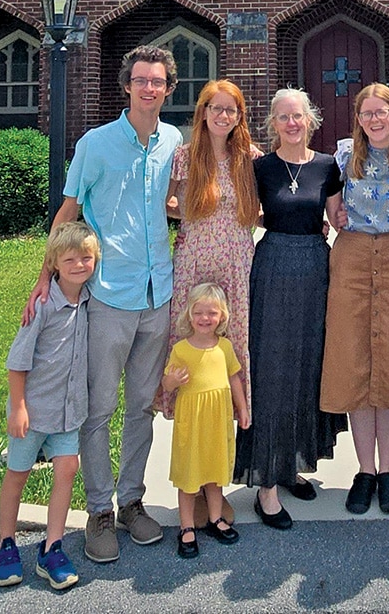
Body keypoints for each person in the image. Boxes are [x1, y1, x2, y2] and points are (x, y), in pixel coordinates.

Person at [25, 45, 183, 563]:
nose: (148, 88)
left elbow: (171, 201)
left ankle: (133, 501)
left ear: (168, 88)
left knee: (142, 405)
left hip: (158, 292)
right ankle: (98, 511)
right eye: (140, 80)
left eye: (157, 81)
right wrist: (45, 276)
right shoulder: (96, 144)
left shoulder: (173, 142)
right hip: (109, 295)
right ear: (127, 85)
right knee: (98, 409)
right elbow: (69, 210)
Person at [233, 88, 347, 529]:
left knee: (307, 367)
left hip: (316, 268)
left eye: (297, 115)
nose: (291, 123)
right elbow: (245, 212)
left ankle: (291, 463)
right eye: (283, 117)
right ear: (273, 123)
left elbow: (339, 217)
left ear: (311, 119)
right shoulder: (260, 167)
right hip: (274, 267)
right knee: (273, 369)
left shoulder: (327, 166)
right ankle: (265, 483)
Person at [321, 83, 389, 515]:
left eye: (381, 111)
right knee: (354, 359)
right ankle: (364, 471)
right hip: (352, 258)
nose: (374, 119)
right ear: (359, 119)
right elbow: (332, 209)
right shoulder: (345, 156)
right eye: (366, 113)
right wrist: (336, 216)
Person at [0, 222, 100, 590]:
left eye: (86, 257)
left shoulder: (89, 301)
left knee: (68, 469)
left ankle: (52, 546)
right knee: (18, 473)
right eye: (69, 259)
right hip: (35, 410)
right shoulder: (41, 306)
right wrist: (18, 407)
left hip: (69, 410)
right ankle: (6, 542)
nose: (79, 264)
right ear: (54, 263)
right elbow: (17, 361)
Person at [162, 79, 258, 416]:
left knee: (234, 334)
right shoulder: (185, 157)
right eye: (215, 108)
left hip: (236, 259)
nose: (222, 115)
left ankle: (236, 409)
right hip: (195, 257)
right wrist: (188, 213)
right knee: (192, 329)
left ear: (239, 117)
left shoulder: (248, 158)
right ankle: (188, 405)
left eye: (230, 110)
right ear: (203, 112)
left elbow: (257, 212)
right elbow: (164, 202)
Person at [159, 283, 250, 559]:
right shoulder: (181, 349)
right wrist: (171, 381)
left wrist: (242, 408)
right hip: (192, 423)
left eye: (211, 313)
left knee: (214, 471)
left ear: (222, 316)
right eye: (198, 312)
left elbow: (234, 377)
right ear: (189, 315)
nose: (204, 318)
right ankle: (186, 526)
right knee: (189, 476)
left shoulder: (224, 347)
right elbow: (166, 383)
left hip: (217, 422)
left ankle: (215, 518)